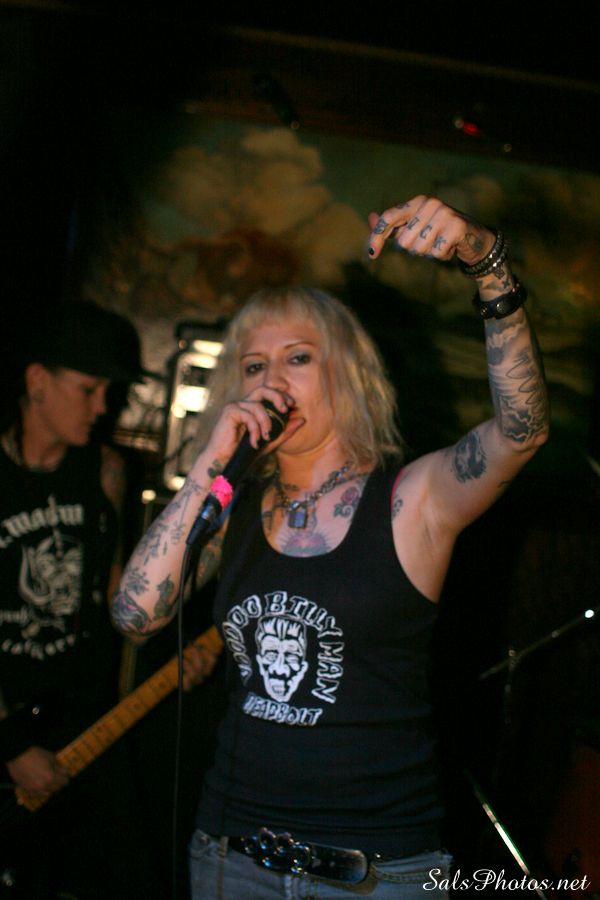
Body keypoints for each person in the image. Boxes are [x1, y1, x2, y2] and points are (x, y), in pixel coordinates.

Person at [111, 195, 550, 898]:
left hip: (377, 874)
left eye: (298, 358)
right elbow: (136, 617)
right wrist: (207, 467)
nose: (271, 381)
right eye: (253, 366)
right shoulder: (229, 506)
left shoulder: (411, 497)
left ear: (346, 372)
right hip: (231, 859)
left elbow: (521, 430)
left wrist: (486, 264)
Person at [0, 300, 204, 899]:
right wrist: (9, 746)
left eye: (107, 393)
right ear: (37, 381)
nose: (102, 408)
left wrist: (172, 651)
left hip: (88, 725)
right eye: (88, 389)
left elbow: (122, 599)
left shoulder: (106, 471)